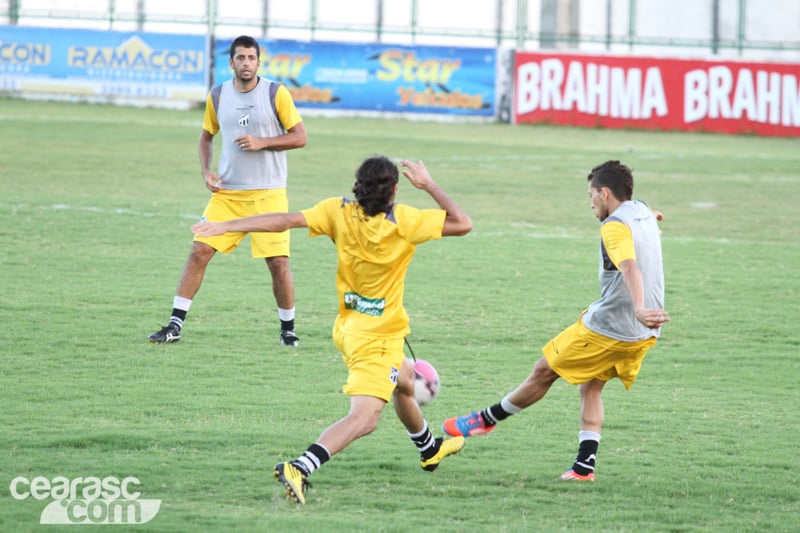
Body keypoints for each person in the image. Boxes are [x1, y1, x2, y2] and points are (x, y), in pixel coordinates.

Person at [192, 156, 471, 504]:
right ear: (395, 190)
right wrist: (429, 184)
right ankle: (300, 467)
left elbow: (284, 220)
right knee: (365, 418)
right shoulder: (406, 221)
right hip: (375, 339)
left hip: (348, 326)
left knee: (405, 381)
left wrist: (228, 225)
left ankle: (429, 449)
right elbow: (463, 223)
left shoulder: (337, 211)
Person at [442, 160, 670, 482]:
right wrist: (653, 220)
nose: (590, 203)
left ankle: (486, 419)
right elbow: (650, 215)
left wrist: (638, 308)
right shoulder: (642, 211)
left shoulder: (614, 226)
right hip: (645, 334)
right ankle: (583, 469)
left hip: (611, 328)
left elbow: (630, 267)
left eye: (591, 195)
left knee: (543, 371)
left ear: (605, 193)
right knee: (592, 385)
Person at [148, 35, 307, 346]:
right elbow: (206, 136)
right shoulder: (218, 94)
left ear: (259, 62)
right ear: (231, 62)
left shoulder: (276, 93)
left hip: (269, 194)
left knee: (278, 262)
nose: (246, 63)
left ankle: (288, 329)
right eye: (240, 58)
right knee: (199, 251)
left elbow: (299, 137)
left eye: (251, 58)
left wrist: (263, 142)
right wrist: (206, 171)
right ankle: (174, 325)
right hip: (229, 196)